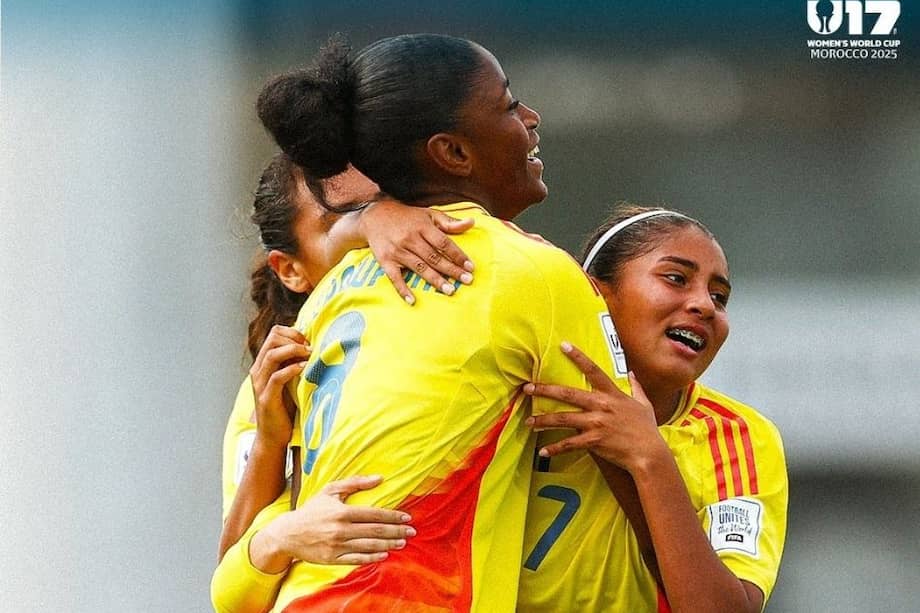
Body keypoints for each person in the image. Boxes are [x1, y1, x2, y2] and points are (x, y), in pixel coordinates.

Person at [211, 33, 621, 612]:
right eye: (354, 219)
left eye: (382, 203)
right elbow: (229, 588)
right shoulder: (529, 272)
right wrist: (278, 531)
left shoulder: (339, 306)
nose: (394, 229)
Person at [519, 205, 788, 612]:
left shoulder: (737, 435)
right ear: (595, 291)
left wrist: (650, 457)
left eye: (720, 297)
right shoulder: (522, 390)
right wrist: (385, 218)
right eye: (676, 278)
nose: (705, 305)